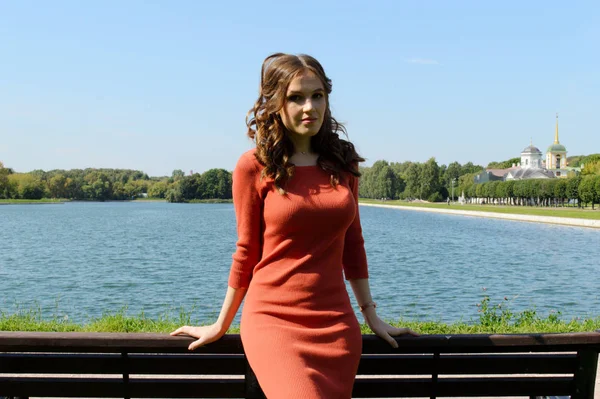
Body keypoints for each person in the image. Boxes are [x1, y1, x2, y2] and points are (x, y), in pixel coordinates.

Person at [171, 53, 418, 398]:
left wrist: (370, 316)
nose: (309, 107)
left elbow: (354, 244)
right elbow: (246, 250)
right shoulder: (253, 166)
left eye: (317, 95)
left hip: (336, 324)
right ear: (275, 103)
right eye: (296, 97)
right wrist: (222, 323)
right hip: (274, 322)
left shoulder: (343, 161)